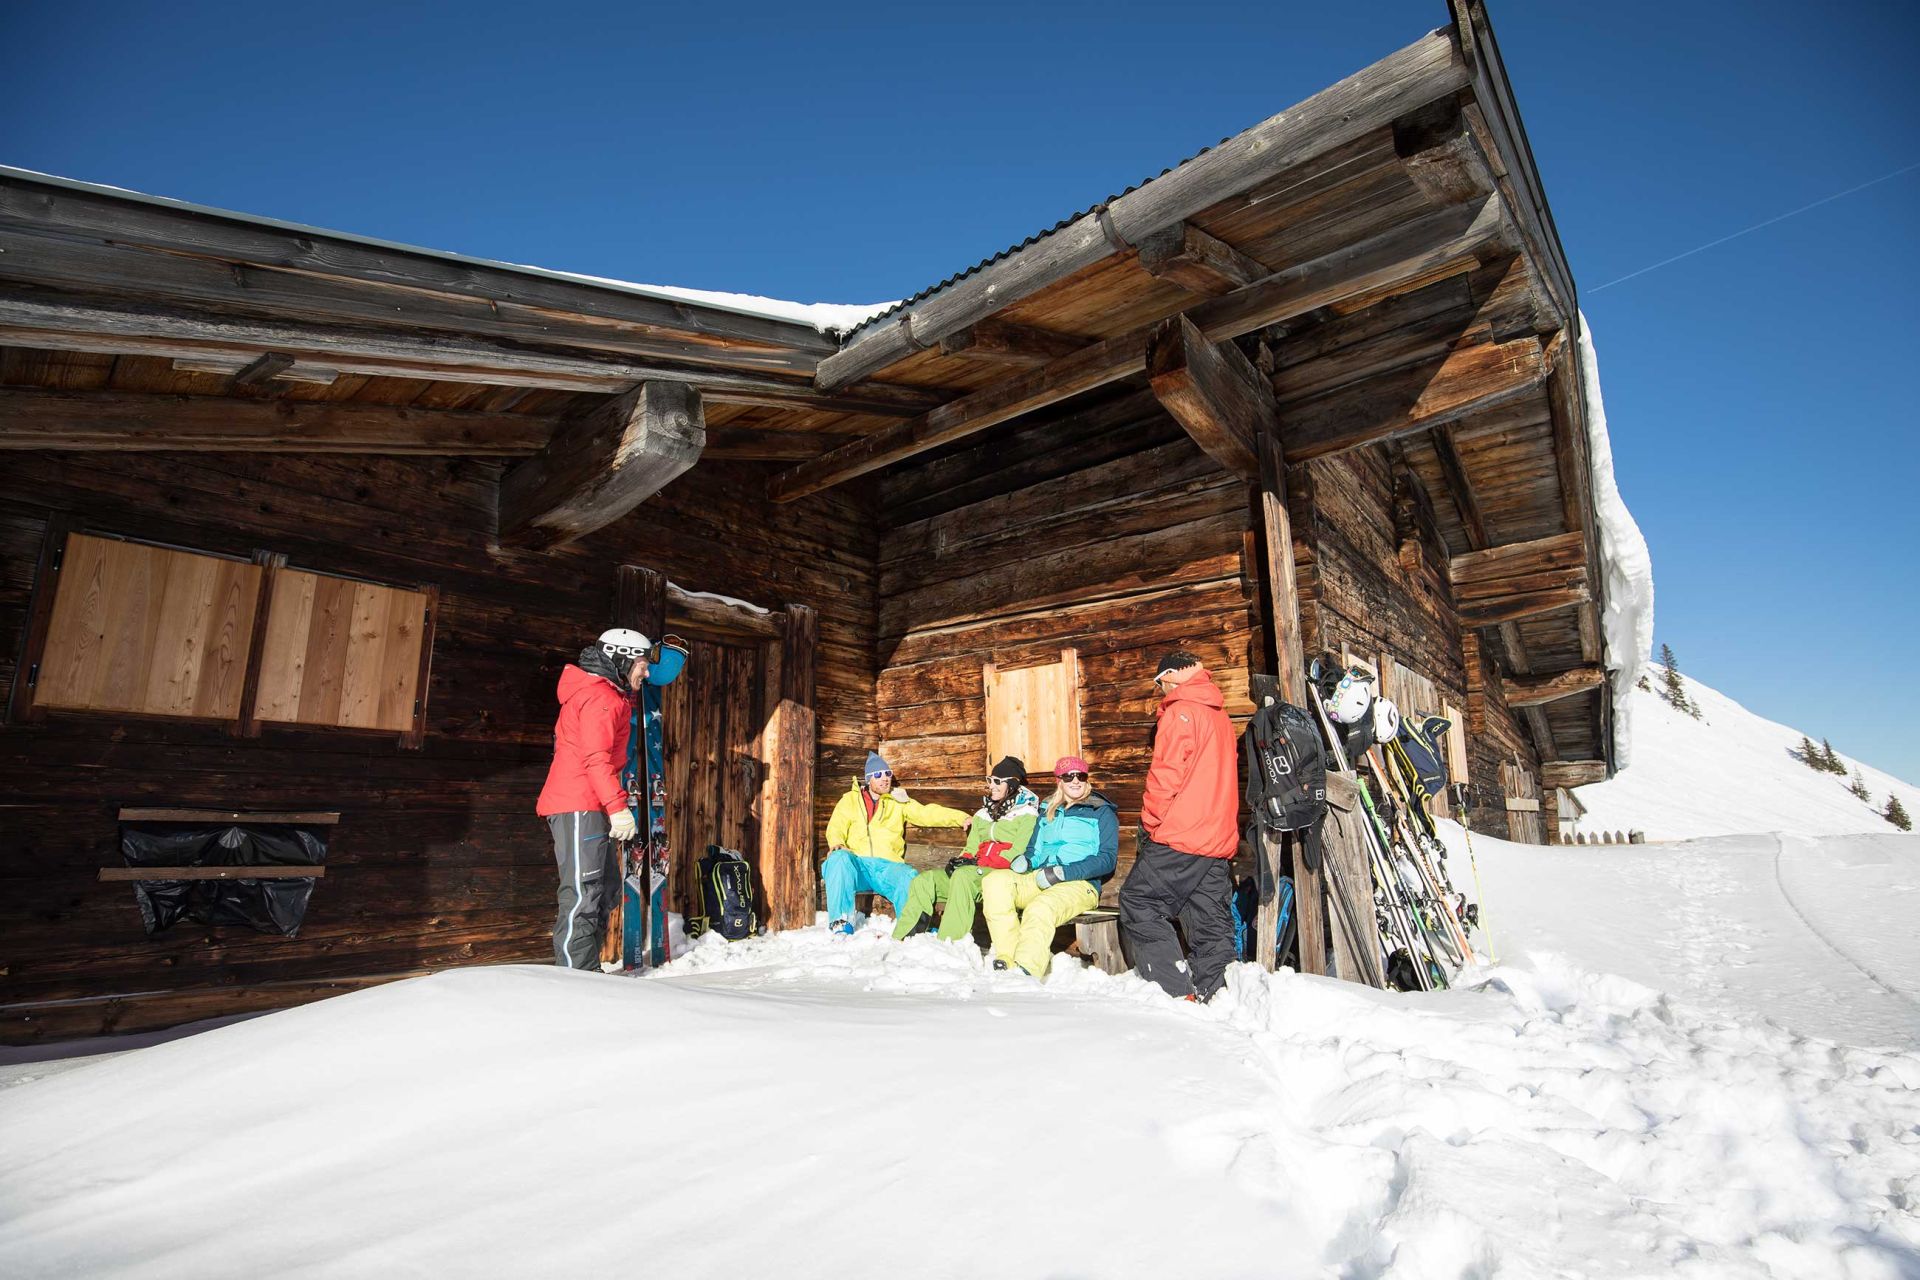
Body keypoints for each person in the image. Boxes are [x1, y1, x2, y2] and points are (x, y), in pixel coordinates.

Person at [1119, 651, 1239, 1001]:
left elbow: (1166, 775)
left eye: (1159, 683)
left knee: (1138, 900)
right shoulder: (1219, 716)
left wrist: (1151, 822)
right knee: (1208, 919)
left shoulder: (1180, 712)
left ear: (1171, 675)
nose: (1160, 691)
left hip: (1183, 833)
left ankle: (1175, 990)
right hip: (1218, 836)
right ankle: (1219, 993)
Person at [535, 628, 649, 969]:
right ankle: (576, 978)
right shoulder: (600, 697)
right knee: (584, 892)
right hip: (578, 803)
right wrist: (618, 808)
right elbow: (596, 759)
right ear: (622, 658)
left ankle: (589, 972)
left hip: (591, 803)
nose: (646, 672)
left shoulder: (612, 696)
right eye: (642, 664)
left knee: (605, 890)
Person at [978, 755, 1119, 977]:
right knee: (994, 882)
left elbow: (1107, 858)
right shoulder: (1047, 809)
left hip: (1079, 884)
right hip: (1041, 877)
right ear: (1059, 780)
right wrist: (1026, 861)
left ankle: (1027, 970)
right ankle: (1008, 956)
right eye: (1068, 776)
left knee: (1040, 908)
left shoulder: (1101, 811)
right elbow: (1034, 849)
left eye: (1080, 776)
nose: (1075, 781)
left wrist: (1064, 872)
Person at [892, 756, 1039, 943]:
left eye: (997, 781)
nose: (991, 786)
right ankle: (905, 937)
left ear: (1011, 784)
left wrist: (974, 865)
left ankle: (950, 942)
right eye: (989, 780)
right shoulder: (983, 814)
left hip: (1001, 875)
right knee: (926, 880)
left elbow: (1017, 852)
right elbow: (971, 848)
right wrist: (962, 861)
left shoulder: (1027, 814)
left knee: (964, 877)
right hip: (975, 871)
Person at [822, 753, 970, 935]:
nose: (884, 779)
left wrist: (961, 817)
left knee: (908, 875)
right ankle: (840, 922)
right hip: (858, 867)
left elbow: (926, 813)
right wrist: (837, 843)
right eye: (878, 775)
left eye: (888, 773)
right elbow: (836, 826)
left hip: (887, 868)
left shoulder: (898, 801)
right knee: (838, 859)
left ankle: (914, 926)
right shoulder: (850, 801)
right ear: (869, 779)